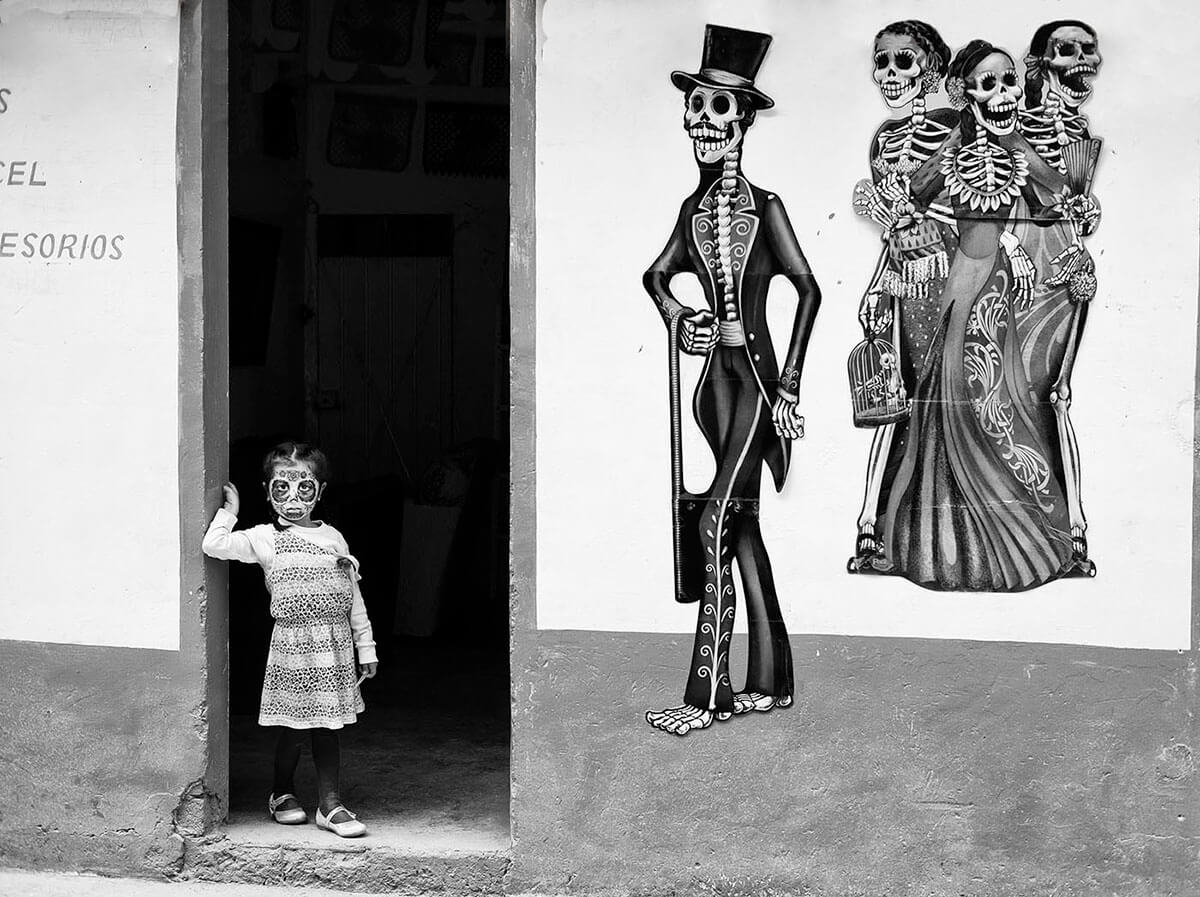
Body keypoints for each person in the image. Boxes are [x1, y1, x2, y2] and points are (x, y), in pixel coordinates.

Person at [642, 25, 820, 735]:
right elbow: (656, 276)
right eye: (697, 107)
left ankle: (705, 694)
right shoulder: (693, 212)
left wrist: (792, 386)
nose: (702, 123)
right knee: (739, 524)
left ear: (742, 121)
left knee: (715, 518)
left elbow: (808, 291)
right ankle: (771, 679)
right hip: (713, 387)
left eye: (719, 109)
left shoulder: (766, 207)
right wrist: (680, 314)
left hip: (755, 381)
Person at [868, 40, 1096, 591]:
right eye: (989, 84)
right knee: (940, 406)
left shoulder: (1020, 149)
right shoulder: (949, 151)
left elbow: (1056, 202)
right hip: (953, 283)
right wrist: (890, 244)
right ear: (965, 93)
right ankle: (936, 544)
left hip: (995, 285)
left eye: (1010, 82)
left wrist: (1038, 234)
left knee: (1000, 398)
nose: (1004, 95)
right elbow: (909, 204)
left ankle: (1028, 536)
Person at [202, 441, 378, 837]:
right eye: (282, 487)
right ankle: (282, 793)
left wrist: (365, 647)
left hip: (333, 649)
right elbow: (214, 545)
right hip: (293, 652)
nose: (293, 498)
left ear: (321, 491)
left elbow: (355, 598)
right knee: (295, 729)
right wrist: (229, 514)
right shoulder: (264, 538)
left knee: (329, 728)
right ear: (268, 491)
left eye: (304, 488)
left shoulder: (335, 538)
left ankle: (330, 806)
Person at [849, 19, 958, 572]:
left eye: (904, 62)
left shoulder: (957, 130)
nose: (890, 74)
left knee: (946, 405)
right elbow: (892, 233)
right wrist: (874, 286)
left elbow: (967, 211)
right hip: (900, 283)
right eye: (882, 62)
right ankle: (870, 523)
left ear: (930, 69)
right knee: (889, 398)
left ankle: (942, 531)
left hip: (948, 281)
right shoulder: (883, 142)